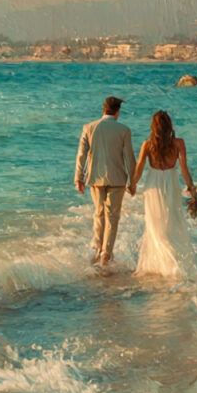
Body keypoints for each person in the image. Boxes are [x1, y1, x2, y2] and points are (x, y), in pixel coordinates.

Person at [129, 110, 197, 280]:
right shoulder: (178, 143)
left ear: (153, 127)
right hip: (171, 181)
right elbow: (184, 169)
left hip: (153, 184)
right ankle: (173, 263)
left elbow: (139, 167)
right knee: (172, 221)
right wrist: (191, 187)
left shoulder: (147, 144)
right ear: (170, 125)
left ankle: (163, 264)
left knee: (155, 225)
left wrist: (132, 184)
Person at [75, 95, 136, 266]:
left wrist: (78, 178)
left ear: (103, 110)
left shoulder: (89, 127)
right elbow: (130, 158)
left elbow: (81, 155)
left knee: (99, 213)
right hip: (117, 178)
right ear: (117, 112)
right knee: (112, 217)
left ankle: (97, 249)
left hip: (95, 178)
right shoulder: (124, 130)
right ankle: (106, 254)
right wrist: (133, 181)